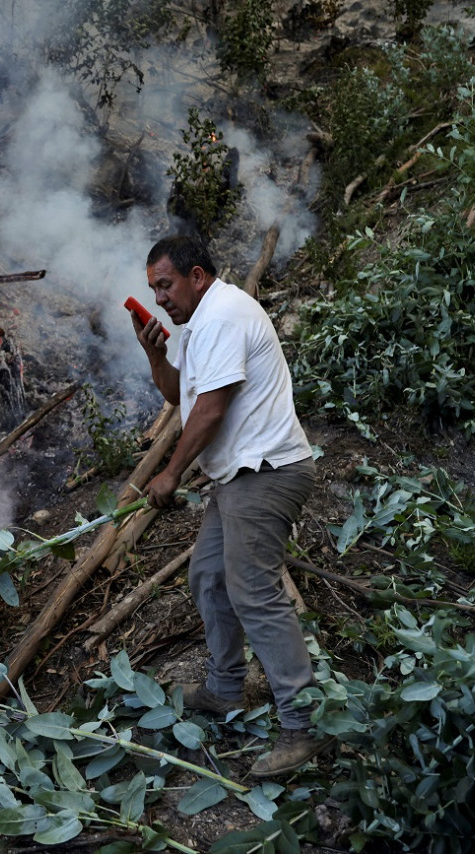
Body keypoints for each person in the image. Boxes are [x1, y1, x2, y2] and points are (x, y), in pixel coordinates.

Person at [130, 234, 333, 778]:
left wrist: (171, 473)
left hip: (266, 472)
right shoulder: (200, 327)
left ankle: (303, 724)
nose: (160, 299)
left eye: (166, 285)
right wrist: (156, 352)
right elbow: (182, 396)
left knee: (252, 590)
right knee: (209, 577)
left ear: (197, 276)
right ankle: (224, 688)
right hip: (237, 477)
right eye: (153, 290)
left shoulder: (222, 316)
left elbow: (212, 410)